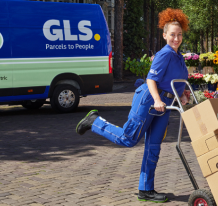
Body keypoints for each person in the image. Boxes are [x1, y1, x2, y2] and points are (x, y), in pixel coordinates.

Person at [75, 8, 190, 203]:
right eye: (172, 35)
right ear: (164, 35)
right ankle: (94, 122)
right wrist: (156, 100)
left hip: (165, 104)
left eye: (179, 35)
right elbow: (151, 80)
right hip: (150, 100)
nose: (176, 39)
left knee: (153, 147)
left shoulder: (178, 57)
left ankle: (146, 190)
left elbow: (176, 80)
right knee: (129, 138)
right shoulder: (165, 54)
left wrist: (184, 94)